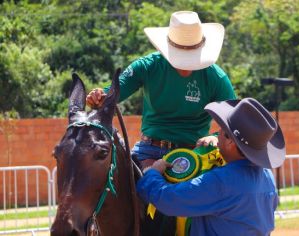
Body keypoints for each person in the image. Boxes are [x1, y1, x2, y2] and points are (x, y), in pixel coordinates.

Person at [86, 11, 236, 169]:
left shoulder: (216, 77)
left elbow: (234, 121)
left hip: (196, 154)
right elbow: (114, 94)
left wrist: (214, 138)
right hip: (149, 150)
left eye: (191, 56)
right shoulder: (147, 66)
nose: (185, 66)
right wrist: (98, 98)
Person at [137, 97, 286, 236]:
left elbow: (168, 199)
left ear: (230, 142)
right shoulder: (267, 176)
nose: (217, 133)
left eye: (221, 129)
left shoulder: (222, 182)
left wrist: (153, 173)